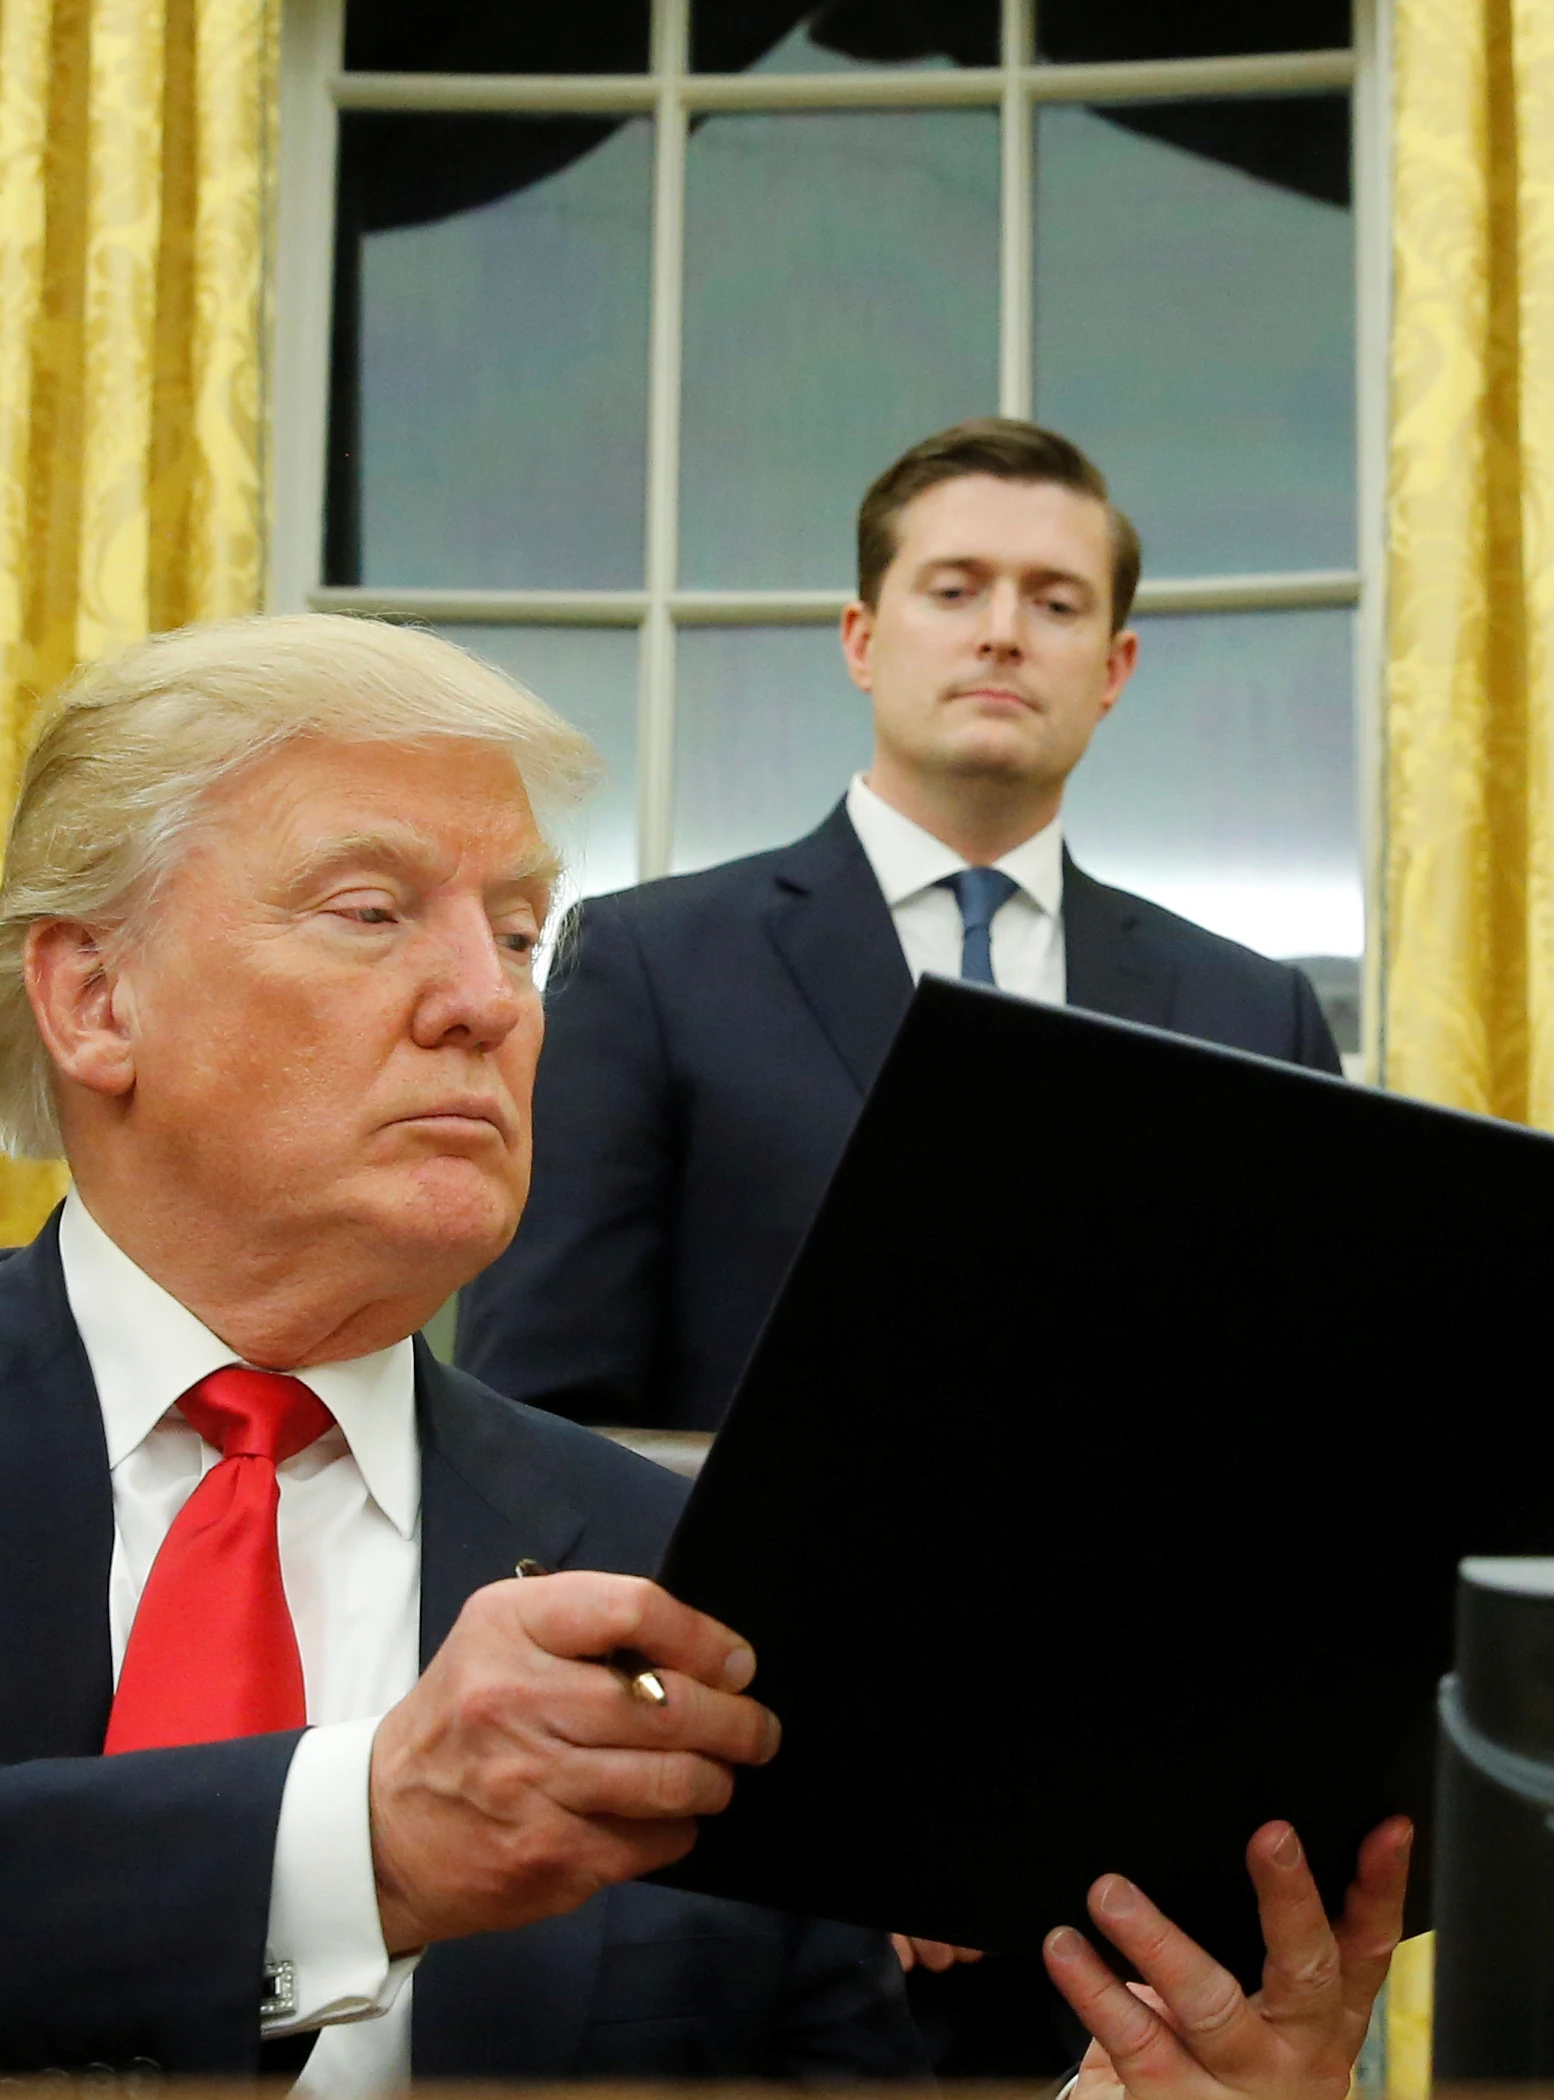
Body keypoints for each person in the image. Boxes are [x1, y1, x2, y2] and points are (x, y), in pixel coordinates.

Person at [0, 615, 1408, 2100]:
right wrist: (351, 1832)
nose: (485, 1001)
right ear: (94, 994)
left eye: (522, 932)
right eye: (373, 911)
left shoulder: (671, 1560)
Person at [455, 418, 1344, 1438]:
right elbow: (534, 1416)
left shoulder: (1251, 1013)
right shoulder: (648, 964)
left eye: (1056, 602)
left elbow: (1309, 1406)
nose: (1003, 631)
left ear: (1115, 668)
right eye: (955, 590)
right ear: (863, 639)